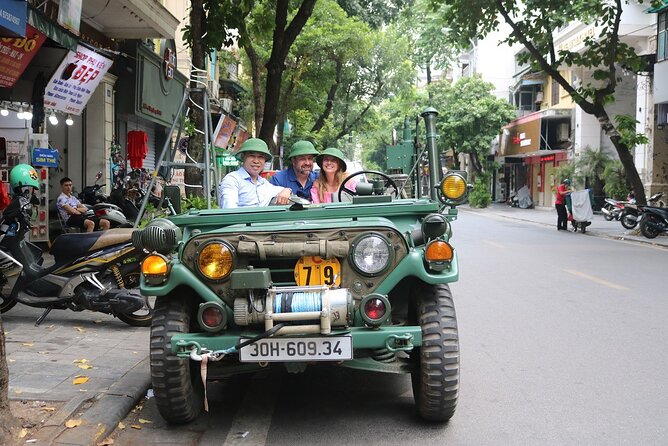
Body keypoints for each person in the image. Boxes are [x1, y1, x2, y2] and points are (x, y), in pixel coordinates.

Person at [218, 138, 292, 208]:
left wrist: (287, 190)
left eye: (260, 157)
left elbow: (281, 190)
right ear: (243, 157)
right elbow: (229, 210)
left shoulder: (263, 183)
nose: (256, 161)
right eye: (252, 156)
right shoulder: (232, 180)